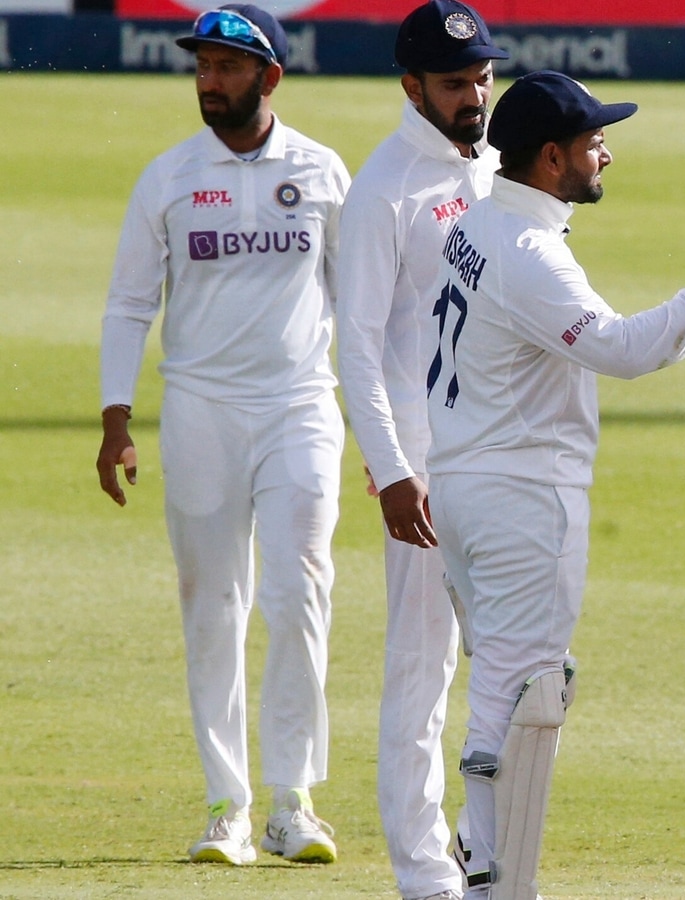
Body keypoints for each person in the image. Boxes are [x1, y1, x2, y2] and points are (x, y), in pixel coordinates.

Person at [423, 70, 685, 900]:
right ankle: (496, 883)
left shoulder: (480, 218)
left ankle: (482, 867)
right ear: (550, 158)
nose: (606, 153)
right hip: (521, 496)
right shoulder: (528, 254)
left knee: (504, 688)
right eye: (592, 143)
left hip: (466, 483)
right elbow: (623, 349)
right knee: (529, 693)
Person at [95, 3, 347, 867]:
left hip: (300, 406)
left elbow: (363, 302)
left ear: (269, 77)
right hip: (200, 408)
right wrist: (115, 419)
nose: (209, 81)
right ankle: (225, 806)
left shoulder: (321, 171)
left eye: (227, 67)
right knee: (214, 606)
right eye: (201, 65)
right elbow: (131, 303)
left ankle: (292, 801)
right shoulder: (167, 177)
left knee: (301, 591)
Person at [335, 2, 506, 897]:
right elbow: (355, 346)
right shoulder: (384, 188)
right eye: (454, 84)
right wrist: (395, 469)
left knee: (514, 666)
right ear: (412, 87)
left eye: (481, 77)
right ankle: (424, 872)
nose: (474, 95)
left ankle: (489, 853)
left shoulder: (495, 166)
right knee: (423, 669)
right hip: (427, 471)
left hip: (500, 453)